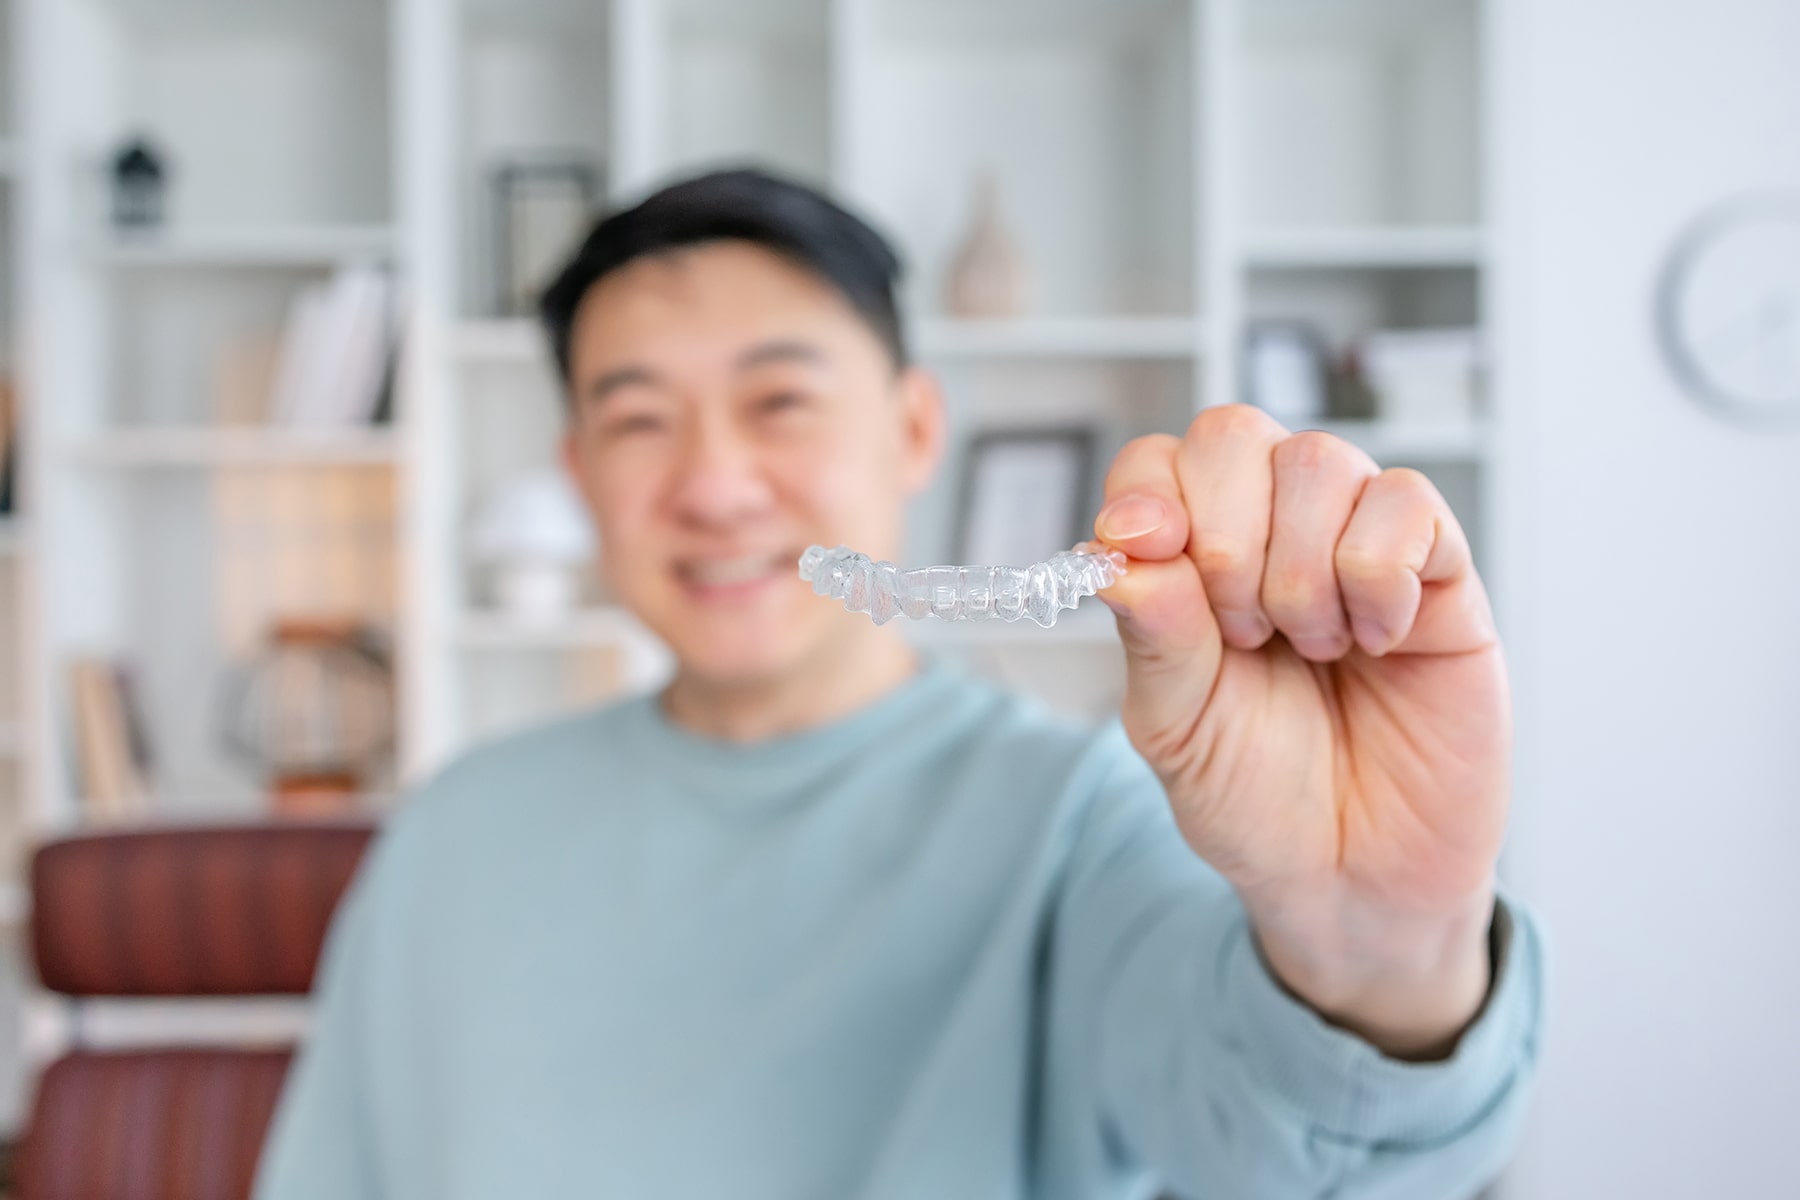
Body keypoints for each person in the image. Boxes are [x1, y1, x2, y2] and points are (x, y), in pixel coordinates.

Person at [256, 169, 1542, 1200]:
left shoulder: (1086, 815)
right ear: (580, 467)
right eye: (640, 418)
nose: (711, 484)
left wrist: (1377, 945)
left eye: (780, 401)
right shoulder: (454, 830)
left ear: (915, 429)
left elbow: (1284, 1148)